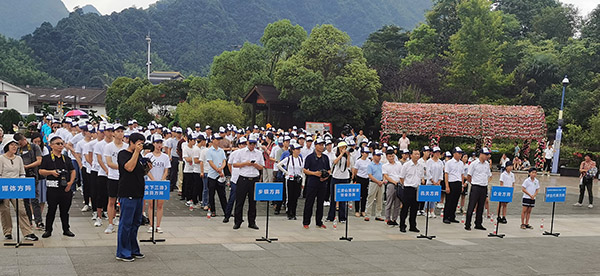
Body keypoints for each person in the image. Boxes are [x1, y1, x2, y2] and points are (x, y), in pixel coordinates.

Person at [116, 132, 147, 262]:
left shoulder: (139, 156)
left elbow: (140, 172)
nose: (141, 146)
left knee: (135, 223)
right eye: (139, 143)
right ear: (132, 143)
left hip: (138, 193)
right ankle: (122, 252)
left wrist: (147, 168)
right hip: (127, 192)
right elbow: (128, 168)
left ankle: (133, 249)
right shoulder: (123, 154)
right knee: (126, 223)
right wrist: (136, 153)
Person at [0, 138, 39, 241]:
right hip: (4, 187)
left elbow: (22, 173)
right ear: (6, 146)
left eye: (16, 145)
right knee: (5, 210)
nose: (14, 147)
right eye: (12, 145)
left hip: (17, 187)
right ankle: (7, 232)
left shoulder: (19, 159)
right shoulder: (1, 158)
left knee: (21, 210)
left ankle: (27, 232)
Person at [38, 136, 76, 238]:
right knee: (51, 210)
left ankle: (66, 229)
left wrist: (71, 182)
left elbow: (73, 171)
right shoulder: (46, 158)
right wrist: (51, 172)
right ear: (51, 145)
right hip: (52, 188)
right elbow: (41, 171)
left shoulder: (66, 158)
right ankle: (48, 230)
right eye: (57, 144)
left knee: (65, 211)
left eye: (62, 144)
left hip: (65, 188)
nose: (60, 146)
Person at [232, 137, 264, 230]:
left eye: (254, 144)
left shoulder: (258, 153)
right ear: (247, 143)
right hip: (243, 178)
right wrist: (246, 163)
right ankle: (237, 221)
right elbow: (235, 164)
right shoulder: (240, 152)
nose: (252, 146)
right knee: (240, 201)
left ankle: (252, 222)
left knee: (253, 202)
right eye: (250, 143)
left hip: (254, 178)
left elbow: (262, 167)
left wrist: (255, 165)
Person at [14, 133, 43, 229]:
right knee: (25, 200)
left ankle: (38, 221)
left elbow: (39, 161)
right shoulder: (17, 149)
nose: (19, 145)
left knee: (34, 199)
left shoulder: (34, 147)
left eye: (20, 143)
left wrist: (27, 166)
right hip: (21, 176)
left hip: (32, 175)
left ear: (24, 139)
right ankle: (28, 221)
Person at [103, 124, 128, 234]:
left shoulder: (127, 146)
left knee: (123, 201)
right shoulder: (109, 147)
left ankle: (122, 221)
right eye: (118, 131)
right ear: (113, 133)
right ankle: (110, 223)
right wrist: (123, 166)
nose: (120, 133)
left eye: (122, 131)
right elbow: (109, 163)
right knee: (111, 200)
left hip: (124, 178)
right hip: (113, 176)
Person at [302, 138, 330, 229]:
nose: (322, 147)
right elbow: (305, 170)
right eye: (320, 145)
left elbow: (329, 170)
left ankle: (319, 221)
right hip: (312, 182)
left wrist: (325, 176)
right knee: (309, 202)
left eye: (323, 145)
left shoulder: (325, 158)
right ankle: (306, 222)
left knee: (320, 203)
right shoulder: (310, 157)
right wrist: (314, 173)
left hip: (322, 183)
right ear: (316, 145)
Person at [145, 134, 171, 233]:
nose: (159, 145)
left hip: (161, 182)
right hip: (151, 182)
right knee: (151, 205)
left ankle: (158, 225)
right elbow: (146, 170)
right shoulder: (148, 156)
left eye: (160, 143)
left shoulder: (165, 157)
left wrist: (161, 180)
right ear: (153, 144)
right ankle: (151, 225)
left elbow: (166, 170)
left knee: (160, 205)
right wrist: (153, 179)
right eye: (157, 143)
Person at [464, 148, 492, 231]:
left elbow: (489, 175)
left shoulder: (487, 164)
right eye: (486, 154)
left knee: (481, 206)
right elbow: (469, 175)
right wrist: (472, 183)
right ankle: (467, 223)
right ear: (481, 154)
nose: (487, 156)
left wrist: (486, 182)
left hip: (484, 187)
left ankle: (478, 223)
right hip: (475, 186)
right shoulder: (474, 164)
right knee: (472, 205)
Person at [399, 149, 425, 233]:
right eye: (415, 154)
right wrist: (405, 185)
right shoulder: (406, 165)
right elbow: (401, 177)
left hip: (417, 189)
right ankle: (402, 225)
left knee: (414, 208)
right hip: (408, 188)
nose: (417, 155)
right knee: (405, 208)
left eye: (418, 154)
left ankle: (413, 226)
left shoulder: (420, 166)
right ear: (411, 155)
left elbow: (421, 177)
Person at [277, 143, 303, 220]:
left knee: (296, 197)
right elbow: (279, 165)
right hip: (290, 179)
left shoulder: (300, 159)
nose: (298, 151)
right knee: (290, 196)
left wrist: (302, 181)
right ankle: (289, 212)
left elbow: (302, 170)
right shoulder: (288, 158)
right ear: (293, 150)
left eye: (299, 149)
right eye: (297, 149)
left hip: (298, 179)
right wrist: (286, 172)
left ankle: (294, 213)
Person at [326, 141, 351, 223]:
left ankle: (342, 217)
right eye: (341, 147)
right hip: (336, 177)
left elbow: (348, 165)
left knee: (343, 198)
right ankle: (331, 216)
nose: (343, 149)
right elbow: (335, 162)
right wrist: (341, 154)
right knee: (333, 197)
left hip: (345, 177)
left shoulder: (346, 155)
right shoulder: (334, 154)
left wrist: (348, 156)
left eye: (344, 147)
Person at [224, 137, 247, 223]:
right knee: (232, 198)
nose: (244, 146)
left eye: (245, 144)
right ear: (239, 145)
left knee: (241, 200)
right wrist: (232, 173)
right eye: (242, 144)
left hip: (244, 178)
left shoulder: (247, 154)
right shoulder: (235, 153)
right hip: (235, 179)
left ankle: (239, 217)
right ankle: (227, 215)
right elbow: (229, 164)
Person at [206, 134, 228, 216]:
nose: (218, 141)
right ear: (213, 140)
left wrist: (221, 168)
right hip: (212, 175)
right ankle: (212, 210)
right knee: (211, 194)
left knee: (222, 194)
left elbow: (224, 161)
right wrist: (217, 169)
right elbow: (210, 162)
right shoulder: (209, 151)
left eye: (219, 139)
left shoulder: (221, 150)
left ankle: (226, 211)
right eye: (217, 139)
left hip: (220, 174)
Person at [443, 147, 464, 224]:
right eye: (459, 153)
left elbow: (462, 174)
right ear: (454, 154)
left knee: (455, 201)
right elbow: (446, 174)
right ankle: (446, 217)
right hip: (451, 182)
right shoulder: (449, 163)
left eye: (461, 153)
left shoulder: (461, 163)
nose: (460, 155)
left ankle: (452, 216)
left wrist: (462, 185)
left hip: (458, 182)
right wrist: (447, 186)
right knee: (449, 201)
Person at [383, 147, 402, 226]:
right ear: (387, 157)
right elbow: (386, 176)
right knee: (389, 201)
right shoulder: (385, 165)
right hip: (390, 184)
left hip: (399, 183)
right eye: (389, 156)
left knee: (397, 203)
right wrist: (393, 182)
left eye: (392, 156)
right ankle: (387, 218)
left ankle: (394, 219)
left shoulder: (399, 164)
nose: (391, 158)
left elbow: (401, 173)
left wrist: (399, 182)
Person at [364, 149, 385, 222]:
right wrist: (377, 181)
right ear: (373, 156)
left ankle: (378, 215)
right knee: (370, 199)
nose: (379, 157)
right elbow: (370, 175)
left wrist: (382, 181)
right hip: (373, 183)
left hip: (381, 183)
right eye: (378, 155)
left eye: (380, 156)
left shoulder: (382, 165)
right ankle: (367, 214)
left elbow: (384, 174)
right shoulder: (370, 165)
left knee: (380, 199)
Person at [425, 147, 443, 218]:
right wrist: (432, 180)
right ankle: (426, 211)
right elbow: (428, 172)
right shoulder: (429, 161)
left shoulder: (440, 162)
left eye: (439, 152)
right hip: (430, 182)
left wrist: (439, 181)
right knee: (428, 198)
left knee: (434, 198)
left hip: (437, 182)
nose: (437, 154)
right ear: (433, 153)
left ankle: (432, 211)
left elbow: (441, 172)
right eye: (436, 152)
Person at [352, 147, 370, 217]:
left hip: (366, 179)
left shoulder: (369, 161)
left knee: (364, 195)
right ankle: (357, 210)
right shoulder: (358, 161)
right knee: (358, 195)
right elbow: (355, 171)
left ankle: (363, 210)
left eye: (367, 153)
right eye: (365, 153)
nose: (367, 154)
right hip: (360, 178)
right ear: (362, 153)